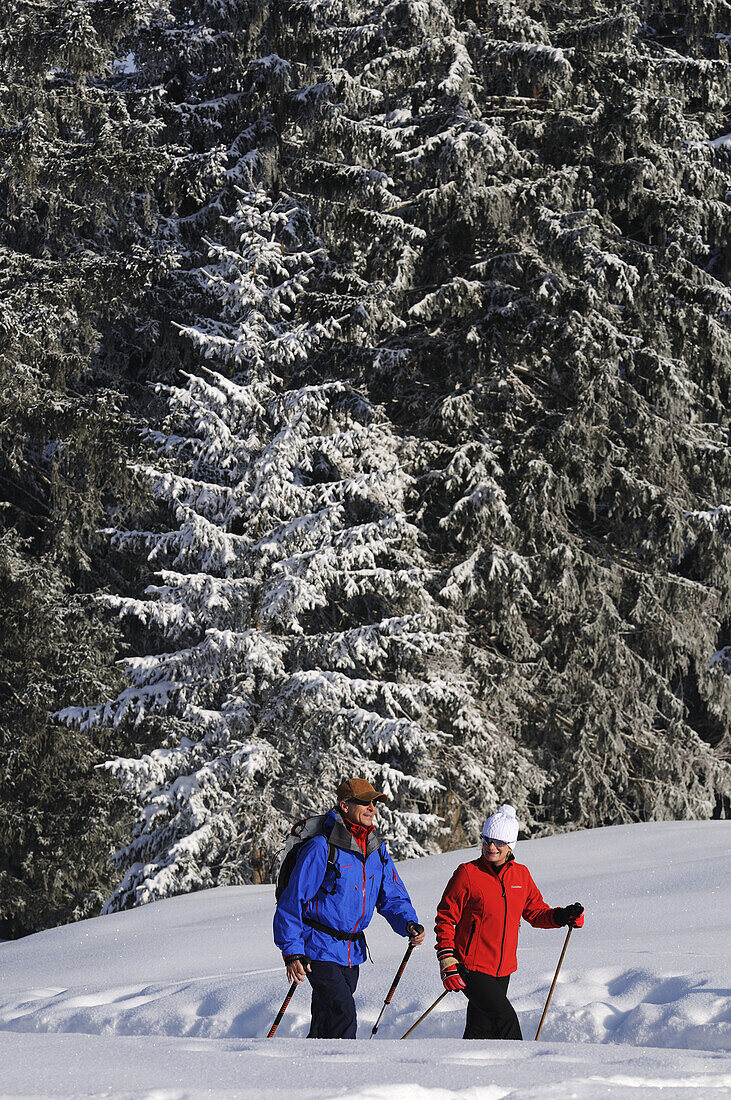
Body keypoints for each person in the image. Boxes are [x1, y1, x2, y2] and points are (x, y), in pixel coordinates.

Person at [273, 777, 425, 1038]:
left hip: (351, 951)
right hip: (317, 948)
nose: (372, 808)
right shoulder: (321, 847)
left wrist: (408, 923)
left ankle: (309, 1070)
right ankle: (346, 1072)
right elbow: (292, 901)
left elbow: (392, 895)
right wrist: (292, 952)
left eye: (374, 803)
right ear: (344, 805)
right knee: (343, 1014)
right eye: (364, 802)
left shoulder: (376, 849)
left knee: (327, 1017)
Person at [435, 803, 584, 1040]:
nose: (491, 847)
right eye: (487, 840)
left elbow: (536, 913)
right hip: (470, 965)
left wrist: (562, 916)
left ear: (510, 846)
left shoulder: (520, 875)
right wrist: (447, 959)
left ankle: (464, 1070)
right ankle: (520, 1067)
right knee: (504, 1019)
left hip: (503, 968)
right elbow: (445, 917)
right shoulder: (467, 873)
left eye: (499, 842)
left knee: (480, 1029)